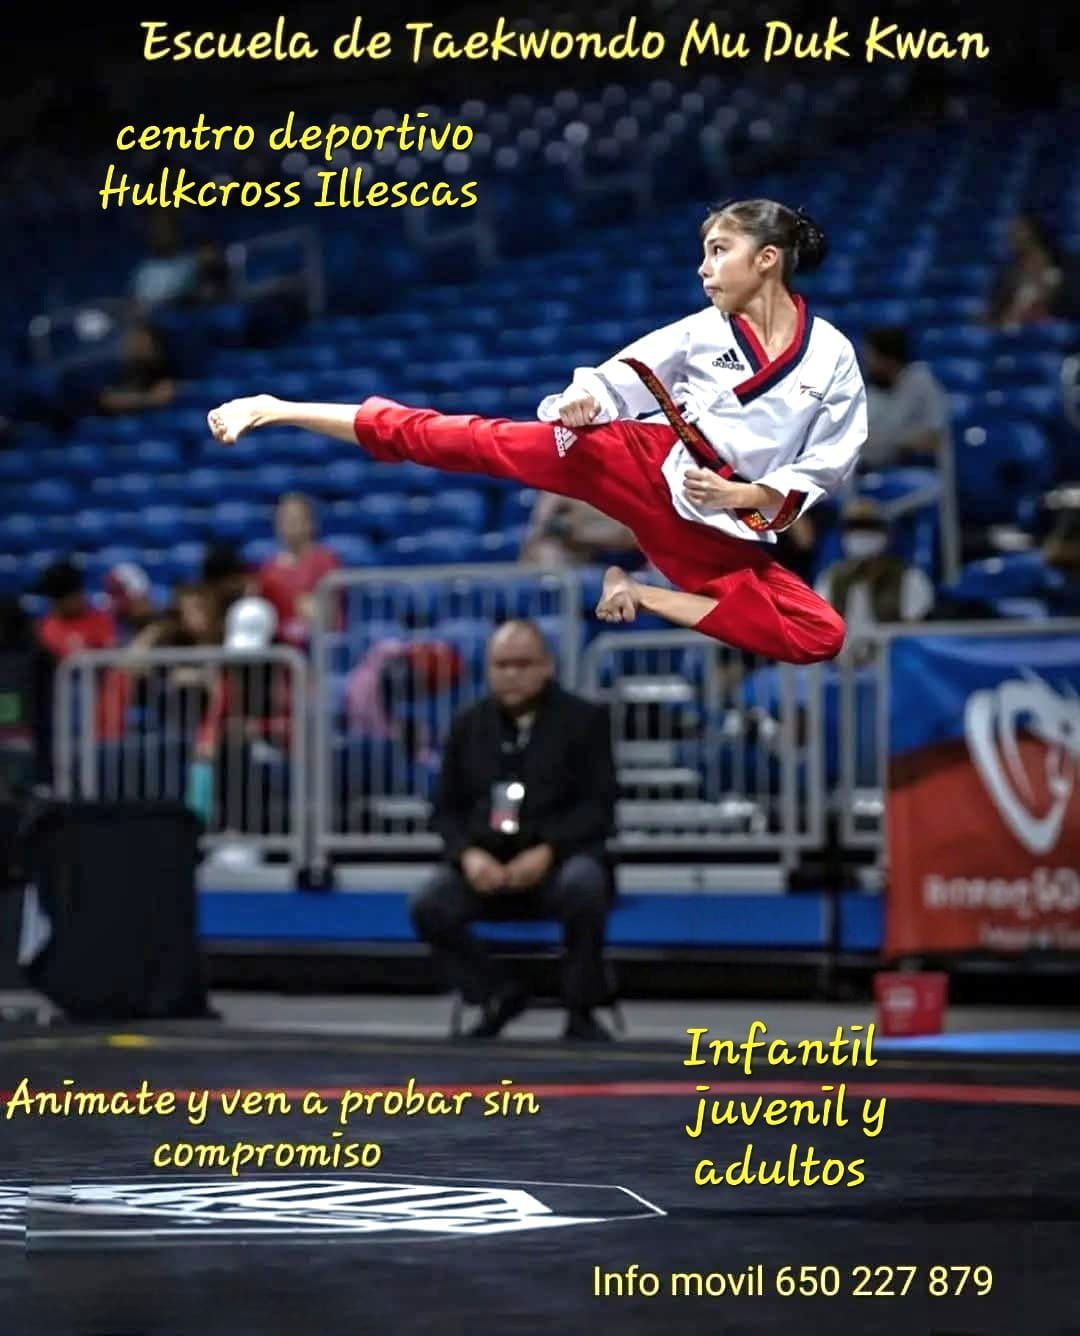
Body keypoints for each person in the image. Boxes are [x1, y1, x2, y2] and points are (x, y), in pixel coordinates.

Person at [208, 199, 866, 666]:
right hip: (642, 463)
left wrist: (753, 498)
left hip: (719, 530)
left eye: (719, 252)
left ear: (770, 259)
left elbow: (834, 458)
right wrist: (583, 399)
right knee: (464, 439)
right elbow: (620, 376)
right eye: (704, 253)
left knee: (821, 637)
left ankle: (636, 591)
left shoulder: (830, 355)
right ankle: (280, 404)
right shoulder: (701, 331)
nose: (704, 268)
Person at [409, 620, 617, 1042]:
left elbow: (600, 807)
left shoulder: (584, 720)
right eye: (502, 665)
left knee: (584, 885)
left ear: (546, 666)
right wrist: (468, 854)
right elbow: (445, 810)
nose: (511, 674)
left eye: (523, 664)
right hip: (487, 865)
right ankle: (497, 991)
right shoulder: (468, 725)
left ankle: (581, 1009)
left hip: (558, 864)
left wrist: (549, 850)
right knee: (428, 903)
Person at [815, 498, 934, 655]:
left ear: (887, 534)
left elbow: (914, 636)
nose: (861, 534)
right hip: (840, 668)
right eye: (853, 528)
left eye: (869, 527)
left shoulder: (910, 578)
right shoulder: (830, 579)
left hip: (892, 665)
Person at [859, 327, 951, 473]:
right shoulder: (874, 391)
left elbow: (933, 439)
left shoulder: (921, 381)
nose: (867, 362)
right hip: (875, 473)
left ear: (887, 359)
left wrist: (885, 440)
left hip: (922, 474)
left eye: (871, 356)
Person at [256, 493, 340, 650]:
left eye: (295, 517)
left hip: (321, 649)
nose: (289, 523)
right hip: (282, 651)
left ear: (310, 523)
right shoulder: (268, 569)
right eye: (284, 518)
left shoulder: (326, 561)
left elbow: (329, 613)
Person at [519, 492, 640, 568]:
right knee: (547, 552)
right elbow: (541, 525)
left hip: (603, 555)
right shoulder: (560, 485)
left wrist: (576, 531)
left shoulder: (621, 487)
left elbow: (629, 536)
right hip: (565, 552)